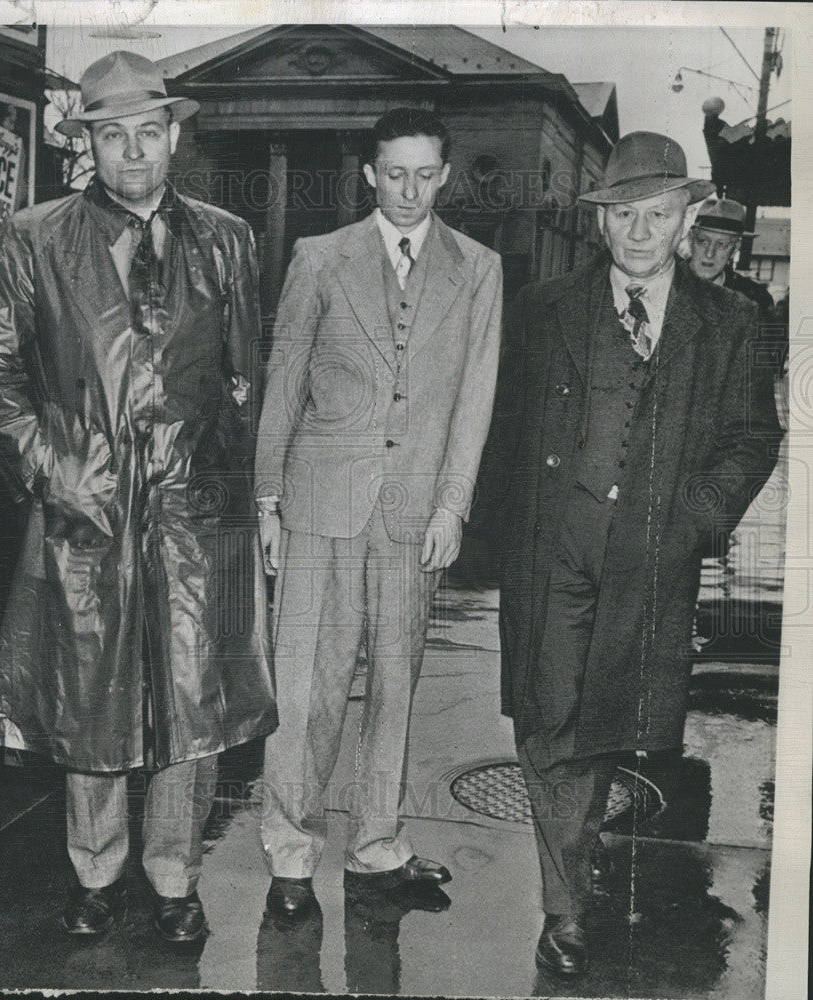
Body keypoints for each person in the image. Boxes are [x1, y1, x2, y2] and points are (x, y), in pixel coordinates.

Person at [0, 51, 276, 946]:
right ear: (87, 144)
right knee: (87, 694)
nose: (133, 150)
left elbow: (243, 377)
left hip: (194, 510)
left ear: (173, 136)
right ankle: (95, 873)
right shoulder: (34, 237)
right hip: (84, 508)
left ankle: (174, 876)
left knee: (194, 699)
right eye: (113, 134)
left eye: (148, 130)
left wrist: (238, 493)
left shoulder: (229, 238)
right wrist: (53, 466)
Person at [483, 132, 783, 978]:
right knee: (548, 719)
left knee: (608, 724)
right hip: (553, 550)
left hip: (652, 557)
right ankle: (564, 907)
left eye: (657, 215)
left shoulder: (729, 324)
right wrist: (497, 535)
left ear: (686, 220)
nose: (640, 233)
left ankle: (575, 870)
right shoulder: (544, 309)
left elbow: (752, 436)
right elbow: (504, 428)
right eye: (624, 215)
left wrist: (694, 518)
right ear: (601, 222)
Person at [254, 107, 503, 918]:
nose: (409, 190)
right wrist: (267, 498)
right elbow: (284, 379)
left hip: (412, 513)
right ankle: (291, 854)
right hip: (320, 504)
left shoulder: (478, 269)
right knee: (307, 691)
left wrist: (453, 505)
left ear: (446, 174)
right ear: (369, 173)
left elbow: (475, 400)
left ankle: (377, 847)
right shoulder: (319, 258)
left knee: (397, 685)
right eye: (394, 173)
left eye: (426, 174)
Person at [687, 198, 787, 374]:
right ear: (690, 240)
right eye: (703, 241)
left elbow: (764, 370)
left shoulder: (756, 299)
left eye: (721, 244)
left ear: (735, 248)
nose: (709, 253)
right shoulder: (663, 287)